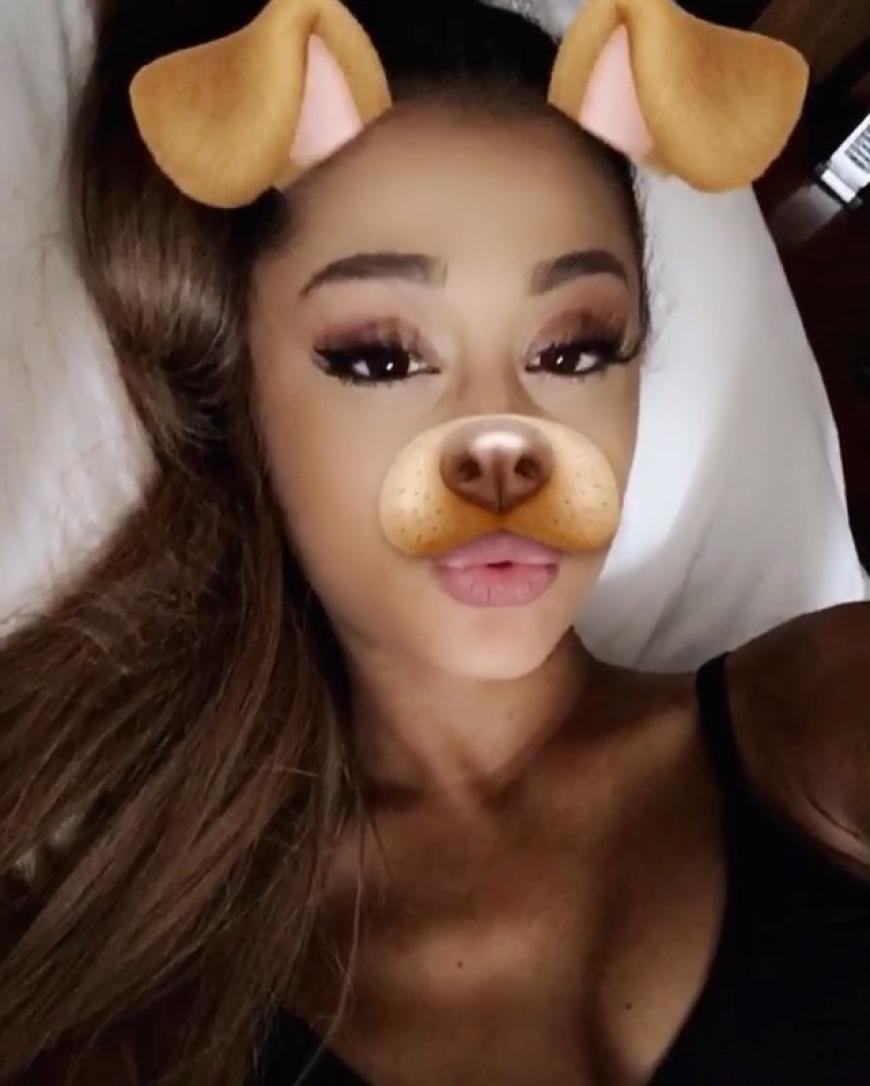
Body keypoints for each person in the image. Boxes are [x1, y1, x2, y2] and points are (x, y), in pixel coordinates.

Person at [0, 0, 866, 1084]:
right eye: (380, 358)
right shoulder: (140, 1002)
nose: (502, 449)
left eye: (573, 350)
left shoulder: (821, 721)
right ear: (242, 394)